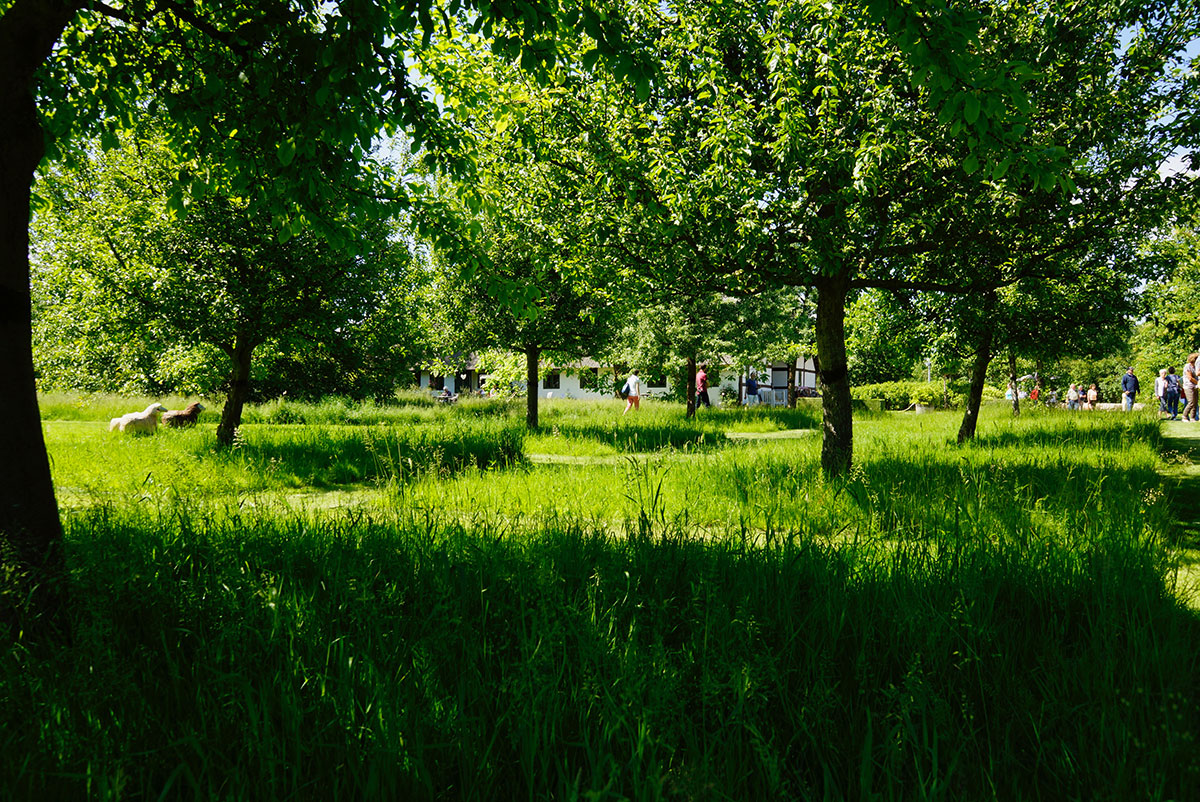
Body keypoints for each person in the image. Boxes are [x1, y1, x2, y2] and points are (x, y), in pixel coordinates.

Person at [1183, 354, 1200, 422]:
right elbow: (1190, 378)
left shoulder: (1196, 366)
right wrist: (1197, 382)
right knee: (1191, 402)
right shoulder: (1187, 366)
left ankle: (1192, 417)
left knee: (1195, 402)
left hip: (1195, 386)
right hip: (1188, 386)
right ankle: (1184, 416)